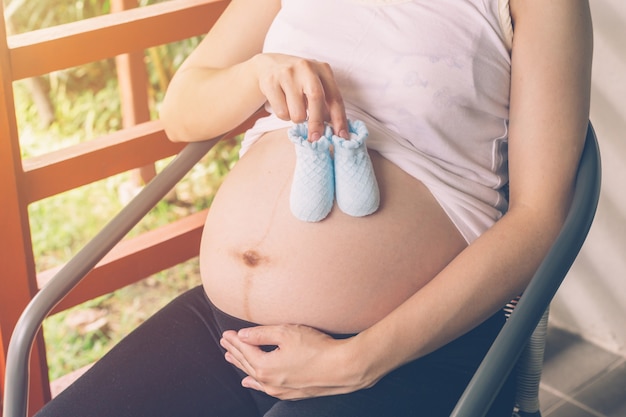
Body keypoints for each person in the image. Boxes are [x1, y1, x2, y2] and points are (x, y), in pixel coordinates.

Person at [36, 0, 593, 416]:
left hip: (404, 348)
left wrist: (360, 361)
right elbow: (182, 112)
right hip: (227, 333)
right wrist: (260, 72)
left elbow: (540, 216)